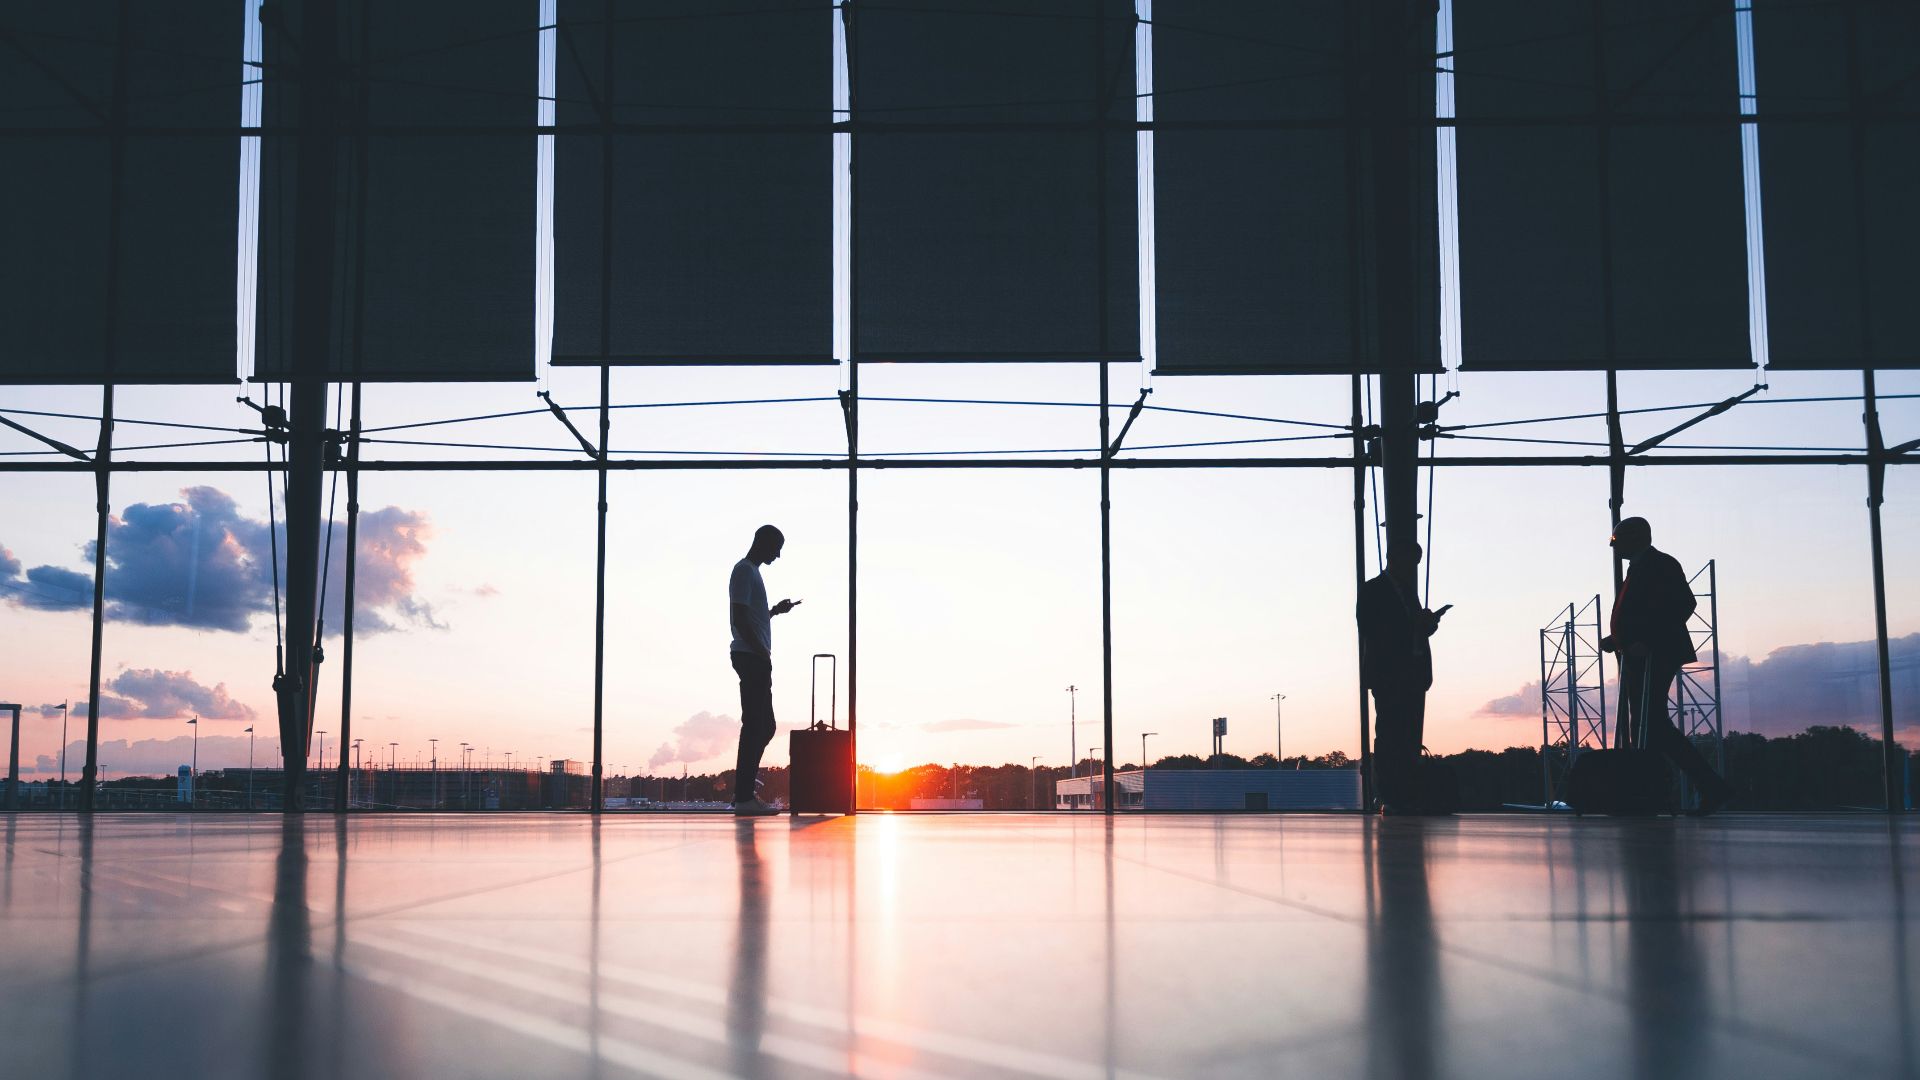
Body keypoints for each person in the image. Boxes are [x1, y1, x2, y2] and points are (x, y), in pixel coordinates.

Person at [1601, 517, 1733, 815]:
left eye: (1618, 540)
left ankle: (1682, 789)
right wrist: (1619, 638)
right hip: (1640, 654)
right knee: (1648, 725)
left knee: (1651, 724)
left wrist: (1645, 640)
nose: (1615, 546)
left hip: (1654, 655)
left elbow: (1682, 604)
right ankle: (1669, 789)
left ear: (1634, 538)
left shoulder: (1659, 564)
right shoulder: (1640, 567)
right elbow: (1647, 610)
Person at [1358, 540, 1445, 814]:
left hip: (1408, 675)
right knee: (1390, 735)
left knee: (1403, 735)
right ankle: (1391, 795)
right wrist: (1415, 626)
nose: (1413, 568)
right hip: (1390, 674)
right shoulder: (1374, 590)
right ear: (1395, 558)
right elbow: (1372, 630)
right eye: (1412, 561)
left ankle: (1400, 794)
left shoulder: (1402, 592)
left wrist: (1424, 626)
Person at [730, 525, 798, 816]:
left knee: (762, 726)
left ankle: (744, 794)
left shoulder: (752, 573)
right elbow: (739, 617)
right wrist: (759, 650)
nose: (778, 554)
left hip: (754, 655)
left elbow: (751, 615)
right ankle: (744, 796)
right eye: (776, 547)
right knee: (756, 726)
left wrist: (774, 612)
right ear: (762, 541)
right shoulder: (744, 571)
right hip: (751, 656)